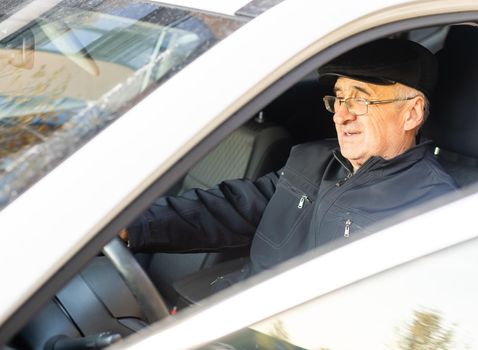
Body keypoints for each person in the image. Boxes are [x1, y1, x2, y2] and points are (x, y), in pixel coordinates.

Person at [120, 38, 457, 291]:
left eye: (360, 98)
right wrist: (130, 226)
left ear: (411, 113)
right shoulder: (314, 158)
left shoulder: (432, 210)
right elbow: (233, 207)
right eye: (339, 98)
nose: (341, 113)